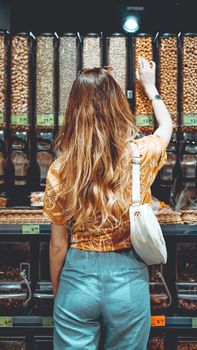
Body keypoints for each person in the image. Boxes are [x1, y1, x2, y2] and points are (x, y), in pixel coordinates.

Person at [43, 56, 173, 350]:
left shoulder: (61, 169)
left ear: (74, 110)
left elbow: (58, 244)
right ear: (118, 107)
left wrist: (60, 294)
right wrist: (150, 89)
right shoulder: (142, 154)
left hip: (77, 276)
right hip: (128, 278)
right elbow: (166, 127)